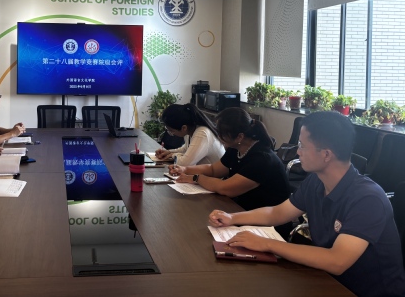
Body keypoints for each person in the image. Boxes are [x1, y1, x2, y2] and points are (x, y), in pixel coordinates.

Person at [209, 111, 405, 297]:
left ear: (326, 154)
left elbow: (337, 261)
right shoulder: (316, 181)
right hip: (325, 279)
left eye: (302, 145)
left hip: (362, 291)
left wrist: (267, 244)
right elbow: (277, 213)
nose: (297, 151)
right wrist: (232, 218)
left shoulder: (367, 199)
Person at [169, 107, 291, 236]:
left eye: (221, 133)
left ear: (239, 136)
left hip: (268, 226)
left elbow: (225, 188)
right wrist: (185, 169)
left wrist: (196, 178)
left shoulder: (262, 159)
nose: (218, 136)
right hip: (243, 211)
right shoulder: (236, 148)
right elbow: (213, 169)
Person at [154, 103, 224, 166]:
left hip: (214, 176)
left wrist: (173, 155)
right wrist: (168, 152)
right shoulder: (190, 131)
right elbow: (185, 149)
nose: (171, 134)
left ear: (184, 128)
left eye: (172, 131)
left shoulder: (202, 133)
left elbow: (185, 164)